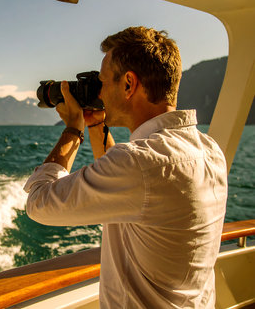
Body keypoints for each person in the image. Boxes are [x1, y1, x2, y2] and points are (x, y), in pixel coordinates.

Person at [23, 26, 228, 308]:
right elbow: (131, 182)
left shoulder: (139, 163)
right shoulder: (209, 150)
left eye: (103, 82)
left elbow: (38, 203)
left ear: (129, 84)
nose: (100, 92)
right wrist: (95, 124)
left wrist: (73, 129)